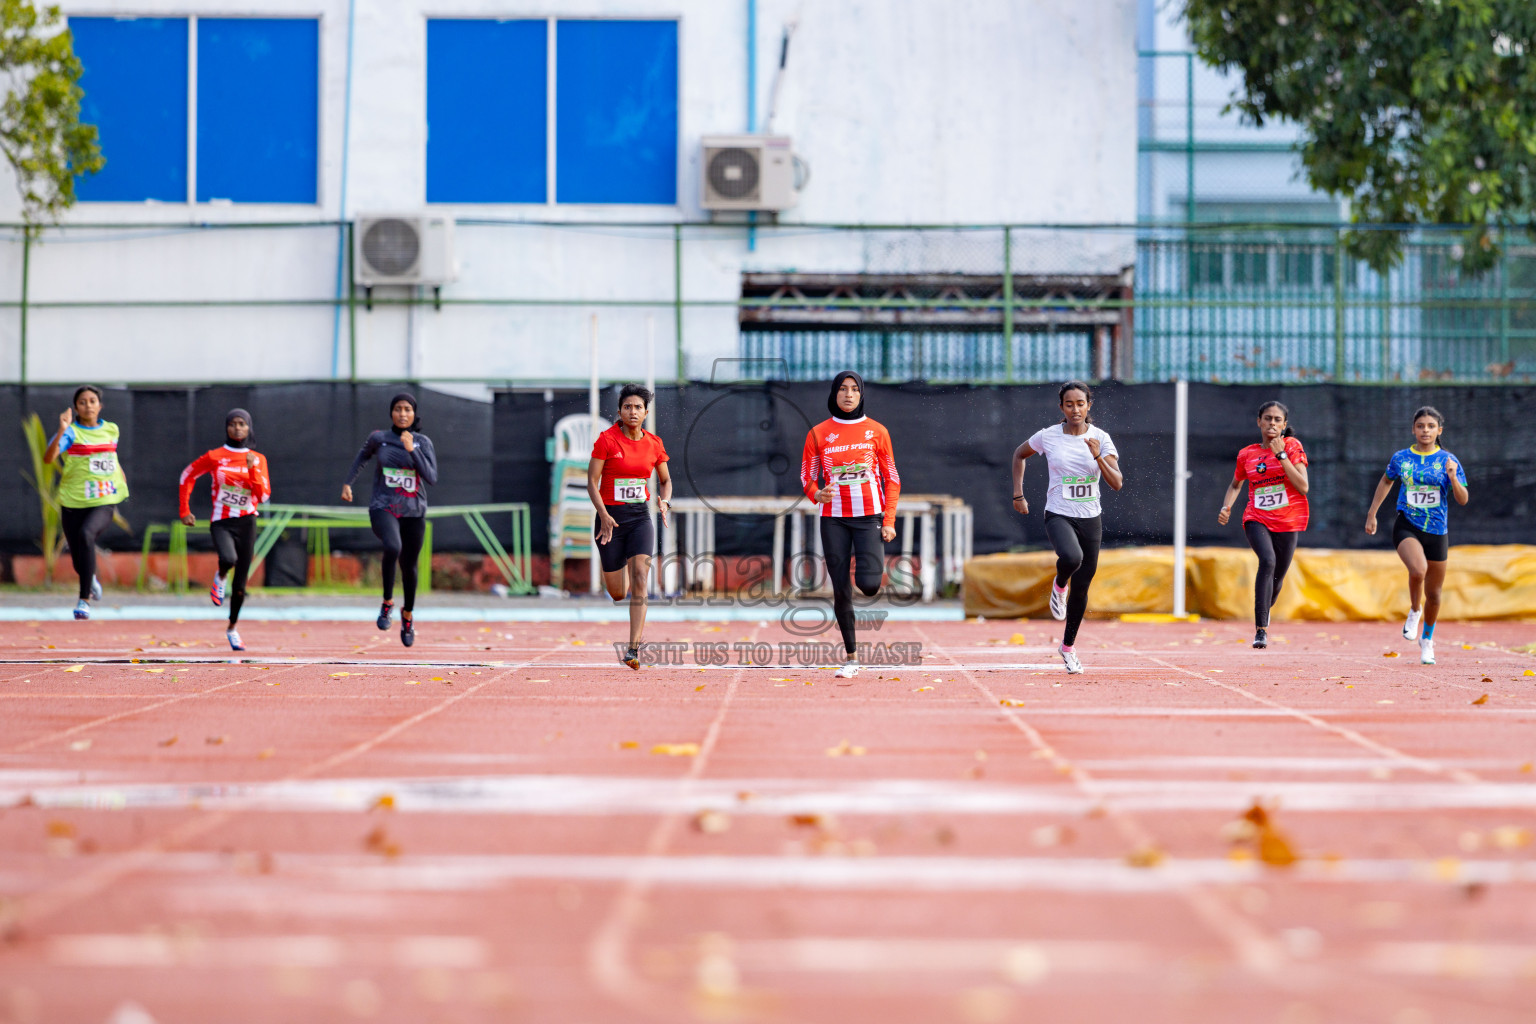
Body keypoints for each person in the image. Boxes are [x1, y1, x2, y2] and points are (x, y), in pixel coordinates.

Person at [1011, 381, 1123, 674]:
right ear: (1061, 407)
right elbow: (1019, 455)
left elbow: (1117, 483)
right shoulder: (1048, 437)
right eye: (1069, 404)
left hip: (1090, 518)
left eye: (1081, 404)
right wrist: (1018, 494)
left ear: (1089, 406)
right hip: (1058, 513)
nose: (1075, 409)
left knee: (1083, 586)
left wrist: (1097, 455)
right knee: (1072, 559)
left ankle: (1068, 648)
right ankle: (1060, 584)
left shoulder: (1101, 438)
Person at [800, 370, 901, 681]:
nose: (848, 394)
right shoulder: (818, 433)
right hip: (834, 519)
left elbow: (892, 479)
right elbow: (807, 476)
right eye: (843, 389)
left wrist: (889, 520)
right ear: (834, 393)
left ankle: (868, 561)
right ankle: (852, 656)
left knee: (869, 586)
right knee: (841, 589)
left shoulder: (877, 431)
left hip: (869, 517)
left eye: (854, 389)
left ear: (861, 395)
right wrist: (816, 493)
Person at [1364, 406, 1468, 665]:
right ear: (1413, 429)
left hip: (1437, 532)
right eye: (1420, 426)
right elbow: (1386, 481)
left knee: (1434, 594)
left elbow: (1463, 499)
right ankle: (1414, 610)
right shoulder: (1402, 458)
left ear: (1438, 431)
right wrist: (1372, 513)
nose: (1425, 430)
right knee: (1418, 570)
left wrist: (1454, 478)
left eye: (1430, 426)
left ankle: (1427, 640)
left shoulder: (1448, 460)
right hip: (1407, 524)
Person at [342, 393, 438, 647]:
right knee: (393, 547)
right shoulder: (380, 439)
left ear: (414, 414)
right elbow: (363, 456)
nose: (402, 414)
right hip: (383, 507)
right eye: (398, 409)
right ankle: (387, 603)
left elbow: (431, 477)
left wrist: (412, 451)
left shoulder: (422, 442)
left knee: (409, 566)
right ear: (391, 413)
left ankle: (407, 615)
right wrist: (348, 483)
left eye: (407, 409)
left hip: (414, 511)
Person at [587, 385, 672, 670]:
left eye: (638, 407)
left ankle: (633, 649)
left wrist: (665, 501)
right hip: (609, 521)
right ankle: (614, 565)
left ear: (646, 413)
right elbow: (592, 483)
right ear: (619, 412)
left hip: (639, 519)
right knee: (618, 593)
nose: (632, 412)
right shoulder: (606, 441)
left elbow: (665, 480)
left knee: (640, 578)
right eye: (627, 407)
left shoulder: (654, 443)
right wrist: (603, 514)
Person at [1217, 400, 1309, 650]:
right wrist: (1227, 507)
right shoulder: (1247, 454)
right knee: (1267, 561)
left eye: (1277, 420)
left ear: (1284, 425)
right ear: (1259, 422)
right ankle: (1261, 629)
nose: (1272, 423)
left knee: (1277, 580)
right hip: (1256, 517)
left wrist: (1280, 455)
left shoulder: (1292, 447)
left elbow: (1303, 486)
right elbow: (1236, 484)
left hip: (1288, 520)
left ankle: (1264, 607)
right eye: (1267, 418)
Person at [178, 409, 271, 651]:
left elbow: (264, 495)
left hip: (247, 522)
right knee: (228, 558)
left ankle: (232, 628)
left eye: (242, 424)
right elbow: (187, 475)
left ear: (249, 428)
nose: (237, 428)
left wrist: (252, 470)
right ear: (226, 428)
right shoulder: (215, 456)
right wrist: (184, 510)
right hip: (221, 521)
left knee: (240, 586)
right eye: (232, 424)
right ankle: (220, 576)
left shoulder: (258, 458)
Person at [43, 386, 129, 620]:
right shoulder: (71, 433)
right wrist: (61, 430)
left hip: (104, 499)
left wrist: (119, 475)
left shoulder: (112, 429)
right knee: (78, 558)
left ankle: (84, 600)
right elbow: (49, 458)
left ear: (100, 406)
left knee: (86, 535)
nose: (88, 405)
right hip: (74, 500)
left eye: (92, 401)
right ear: (76, 408)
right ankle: (89, 577)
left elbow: (110, 457)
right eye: (82, 402)